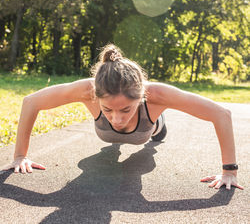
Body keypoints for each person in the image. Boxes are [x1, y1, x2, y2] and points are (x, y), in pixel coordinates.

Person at [2, 44, 243, 191]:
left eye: (125, 110)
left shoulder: (156, 94)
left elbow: (221, 114)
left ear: (141, 96)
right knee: (108, 140)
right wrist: (20, 156)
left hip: (144, 130)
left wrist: (229, 171)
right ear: (97, 96)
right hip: (104, 135)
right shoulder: (88, 89)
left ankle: (159, 125)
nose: (117, 118)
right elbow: (30, 102)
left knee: (148, 145)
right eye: (108, 109)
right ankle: (117, 129)